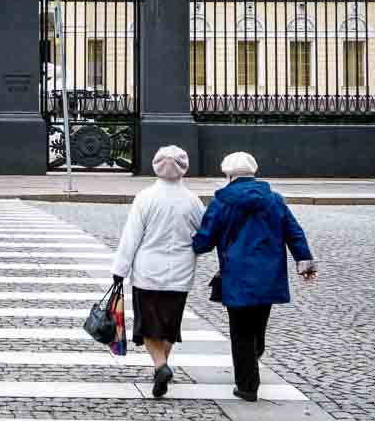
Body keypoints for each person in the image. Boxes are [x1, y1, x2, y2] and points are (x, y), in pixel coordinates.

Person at [193, 151, 316, 402]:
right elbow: (294, 232)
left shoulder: (222, 202)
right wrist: (305, 263)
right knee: (259, 322)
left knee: (240, 330)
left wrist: (192, 246)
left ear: (228, 175)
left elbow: (206, 240)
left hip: (236, 275)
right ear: (253, 172)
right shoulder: (274, 200)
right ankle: (254, 354)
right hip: (268, 275)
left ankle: (248, 385)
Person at [110, 145, 205, 398]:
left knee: (149, 325)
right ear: (184, 167)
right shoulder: (193, 201)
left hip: (147, 271)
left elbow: (131, 236)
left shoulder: (145, 197)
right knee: (169, 325)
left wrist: (120, 269)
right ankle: (161, 367)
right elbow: (204, 235)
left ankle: (160, 366)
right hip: (181, 272)